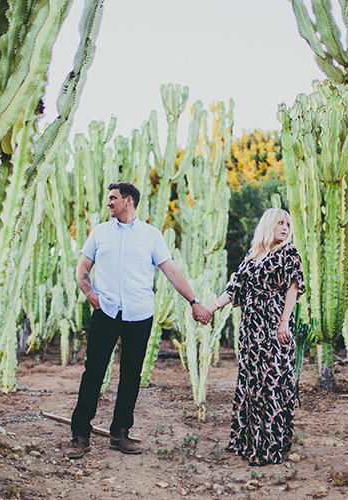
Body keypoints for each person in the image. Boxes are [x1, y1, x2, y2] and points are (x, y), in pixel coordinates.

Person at [66, 182, 211, 459]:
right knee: (93, 373)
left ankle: (119, 433)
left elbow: (171, 271)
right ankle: (80, 435)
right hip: (105, 312)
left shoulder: (151, 235)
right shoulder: (100, 233)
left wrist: (194, 302)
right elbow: (83, 266)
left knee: (131, 375)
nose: (108, 202)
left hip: (139, 314)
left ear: (128, 200)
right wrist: (89, 292)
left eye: (113, 198)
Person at [205, 208, 305, 466]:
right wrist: (209, 309)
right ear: (269, 225)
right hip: (251, 329)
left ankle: (270, 447)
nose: (285, 227)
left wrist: (284, 322)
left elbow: (293, 288)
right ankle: (247, 442)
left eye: (287, 224)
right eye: (280, 223)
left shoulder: (289, 253)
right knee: (252, 382)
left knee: (271, 384)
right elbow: (234, 289)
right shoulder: (252, 257)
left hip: (275, 324)